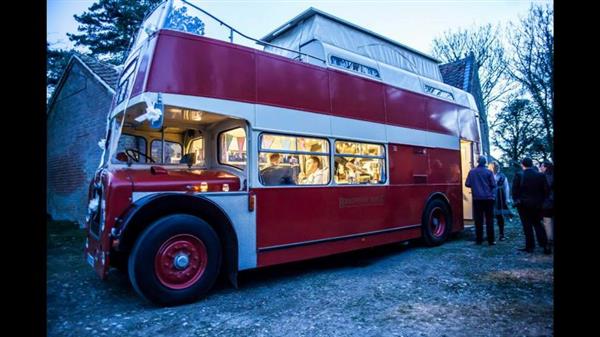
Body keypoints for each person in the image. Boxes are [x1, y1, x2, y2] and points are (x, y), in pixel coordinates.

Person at [512, 157, 550, 254]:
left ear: (522, 164)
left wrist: (516, 201)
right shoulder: (540, 175)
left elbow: (514, 191)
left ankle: (530, 246)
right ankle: (545, 245)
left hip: (523, 205)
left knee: (527, 226)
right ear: (532, 164)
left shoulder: (519, 175)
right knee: (538, 224)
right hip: (537, 204)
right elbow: (546, 191)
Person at [465, 155, 497, 245]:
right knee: (489, 220)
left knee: (478, 220)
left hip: (477, 199)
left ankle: (479, 240)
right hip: (488, 198)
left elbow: (467, 184)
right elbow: (493, 184)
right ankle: (491, 240)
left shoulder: (472, 172)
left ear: (478, 162)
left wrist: (475, 186)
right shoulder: (489, 172)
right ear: (485, 162)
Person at [490, 162, 512, 241]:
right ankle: (495, 235)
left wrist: (507, 199)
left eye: (494, 167)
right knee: (492, 217)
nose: (494, 168)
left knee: (499, 216)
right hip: (494, 198)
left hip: (498, 198)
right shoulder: (490, 175)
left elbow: (506, 188)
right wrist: (507, 199)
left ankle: (501, 234)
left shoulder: (501, 176)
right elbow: (506, 188)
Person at [540, 160, 554, 247]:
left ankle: (549, 239)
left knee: (547, 221)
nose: (540, 168)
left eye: (541, 166)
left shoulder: (543, 177)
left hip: (547, 202)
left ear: (545, 167)